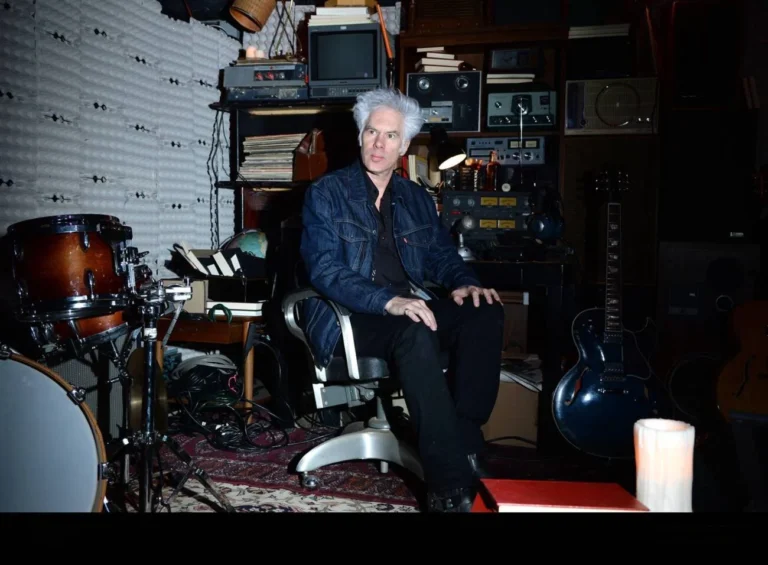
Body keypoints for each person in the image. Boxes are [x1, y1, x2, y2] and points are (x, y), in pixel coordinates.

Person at [299, 88, 505, 512]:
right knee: (413, 329)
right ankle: (448, 486)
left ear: (404, 145)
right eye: (371, 132)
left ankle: (464, 440)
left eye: (390, 136)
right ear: (360, 135)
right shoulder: (327, 193)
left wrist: (463, 282)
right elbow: (325, 270)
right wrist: (387, 301)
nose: (378, 144)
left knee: (484, 311)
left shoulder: (415, 198)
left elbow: (442, 256)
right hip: (349, 317)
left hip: (407, 308)